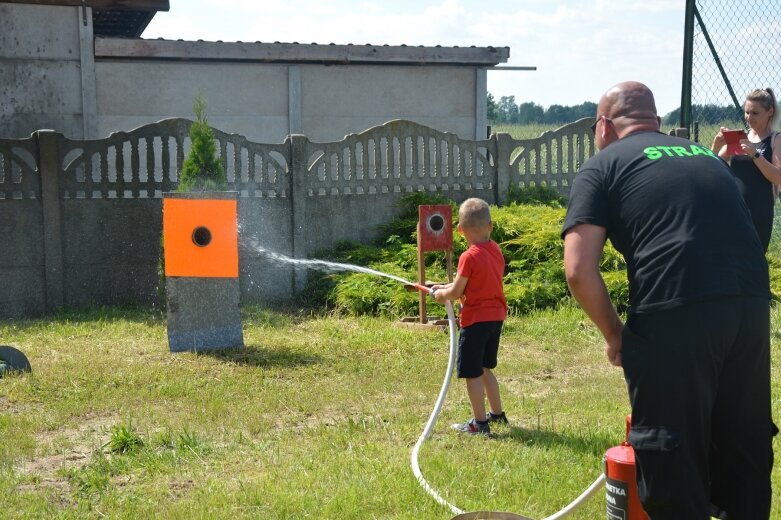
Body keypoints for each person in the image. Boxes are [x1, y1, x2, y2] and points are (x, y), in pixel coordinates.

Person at [562, 81, 775, 518]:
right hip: (752, 304)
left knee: (669, 449)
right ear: (656, 123)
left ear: (603, 126)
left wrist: (616, 334)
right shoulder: (703, 156)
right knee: (742, 442)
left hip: (675, 308)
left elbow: (578, 270)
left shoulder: (602, 166)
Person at [432, 197, 508, 435]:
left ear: (459, 230)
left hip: (475, 321)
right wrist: (447, 286)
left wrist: (442, 294)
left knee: (472, 373)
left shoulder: (468, 256)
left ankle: (479, 424)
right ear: (490, 226)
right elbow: (477, 282)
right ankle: (497, 415)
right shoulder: (495, 249)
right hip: (495, 318)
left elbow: (455, 292)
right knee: (486, 368)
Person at [711, 87, 781, 252]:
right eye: (746, 112)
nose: (749, 118)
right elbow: (714, 164)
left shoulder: (775, 139)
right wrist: (716, 146)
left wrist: (755, 154)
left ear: (770, 111)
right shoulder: (740, 138)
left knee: (753, 259)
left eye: (755, 113)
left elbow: (777, 178)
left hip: (759, 212)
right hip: (733, 208)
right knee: (729, 257)